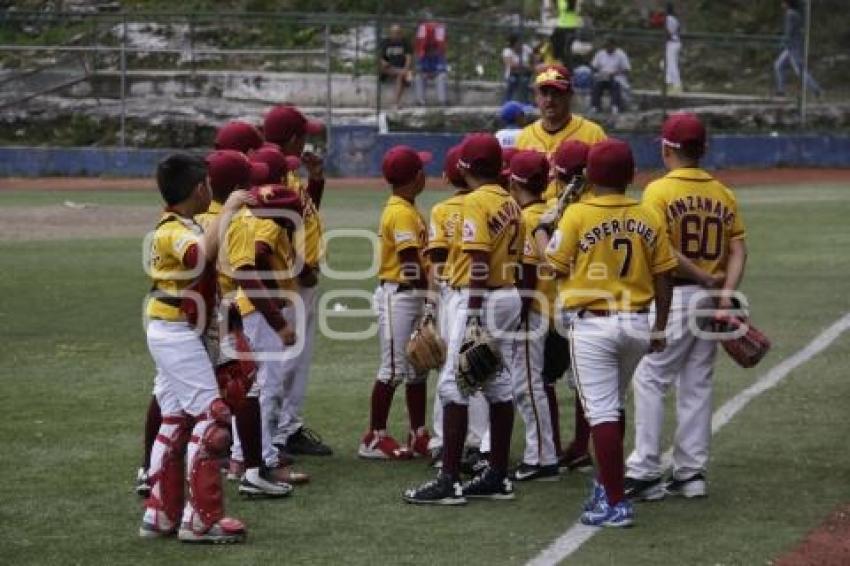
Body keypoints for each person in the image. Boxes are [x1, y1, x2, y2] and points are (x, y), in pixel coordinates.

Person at [543, 139, 676, 527]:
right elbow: (664, 276)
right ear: (630, 175)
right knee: (613, 406)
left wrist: (542, 228)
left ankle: (615, 503)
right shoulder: (649, 213)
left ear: (589, 176)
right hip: (637, 321)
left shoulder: (578, 214)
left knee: (600, 411)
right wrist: (661, 326)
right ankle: (608, 484)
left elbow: (552, 267)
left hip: (594, 325)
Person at [625, 113, 748, 501]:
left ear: (666, 148)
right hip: (710, 299)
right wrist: (725, 291)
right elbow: (738, 249)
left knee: (650, 377)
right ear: (704, 149)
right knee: (697, 383)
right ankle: (690, 473)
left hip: (677, 295)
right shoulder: (723, 193)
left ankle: (644, 470)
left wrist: (701, 277)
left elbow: (662, 250)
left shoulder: (658, 191)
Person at [404, 133, 524, 505]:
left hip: (479, 297)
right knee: (498, 383)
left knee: (453, 386)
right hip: (508, 295)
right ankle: (498, 476)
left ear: (464, 168)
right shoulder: (510, 200)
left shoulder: (474, 202)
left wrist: (471, 312)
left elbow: (478, 261)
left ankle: (449, 481)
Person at [141, 153, 251, 543]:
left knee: (174, 420)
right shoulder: (173, 231)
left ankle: (161, 513)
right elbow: (200, 253)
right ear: (197, 189)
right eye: (206, 184)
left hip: (174, 329)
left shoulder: (184, 223)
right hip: (176, 332)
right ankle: (202, 519)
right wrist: (233, 207)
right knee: (213, 420)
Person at [262, 105, 335, 458]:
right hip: (289, 283)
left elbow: (303, 216)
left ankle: (286, 427)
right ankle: (275, 434)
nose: (308, 140)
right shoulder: (276, 176)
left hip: (296, 280)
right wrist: (303, 267)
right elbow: (276, 231)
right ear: (293, 138)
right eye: (304, 134)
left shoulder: (288, 173)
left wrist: (316, 180)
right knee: (285, 360)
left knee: (293, 359)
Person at [359, 146, 434, 460]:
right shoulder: (400, 212)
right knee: (393, 369)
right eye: (423, 170)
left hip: (410, 294)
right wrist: (431, 297)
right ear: (417, 176)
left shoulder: (406, 206)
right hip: (400, 295)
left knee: (418, 368)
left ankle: (417, 434)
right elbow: (409, 262)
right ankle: (373, 438)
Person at [425, 145, 490, 472]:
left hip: (453, 294)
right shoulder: (491, 203)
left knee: (449, 370)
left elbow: (436, 264)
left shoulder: (441, 209)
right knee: (477, 367)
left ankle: (442, 442)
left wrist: (429, 307)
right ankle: (477, 442)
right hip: (485, 292)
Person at [508, 149, 560, 481]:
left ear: (513, 181)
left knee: (527, 387)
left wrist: (518, 317)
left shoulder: (528, 219)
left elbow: (526, 274)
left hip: (533, 311)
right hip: (550, 308)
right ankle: (543, 453)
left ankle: (542, 458)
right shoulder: (550, 214)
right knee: (532, 384)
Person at [515, 64, 606, 201]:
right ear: (536, 97)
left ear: (569, 95)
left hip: (578, 214)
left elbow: (606, 186)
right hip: (535, 217)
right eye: (544, 93)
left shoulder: (593, 134)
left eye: (556, 93)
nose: (549, 100)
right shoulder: (524, 137)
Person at [773, 0, 821, 97]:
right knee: (779, 65)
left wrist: (782, 42)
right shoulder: (794, 14)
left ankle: (816, 89)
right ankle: (781, 90)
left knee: (799, 70)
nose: (782, 4)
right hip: (791, 47)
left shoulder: (791, 14)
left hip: (794, 47)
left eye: (783, 2)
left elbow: (789, 32)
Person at [590, 36, 631, 114]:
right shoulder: (600, 54)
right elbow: (594, 66)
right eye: (606, 46)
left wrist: (615, 73)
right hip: (603, 76)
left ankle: (615, 106)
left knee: (616, 85)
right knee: (596, 85)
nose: (608, 48)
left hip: (616, 77)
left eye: (609, 46)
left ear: (614, 45)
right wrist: (600, 73)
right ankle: (595, 106)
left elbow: (626, 69)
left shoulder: (621, 54)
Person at [414, 21, 448, 106]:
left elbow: (442, 69)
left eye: (433, 46)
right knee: (418, 77)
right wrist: (425, 73)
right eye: (429, 46)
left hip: (436, 74)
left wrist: (433, 73)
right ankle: (420, 101)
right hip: (426, 73)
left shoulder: (439, 53)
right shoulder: (422, 54)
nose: (431, 48)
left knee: (442, 77)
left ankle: (442, 101)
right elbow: (419, 68)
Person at [379, 24, 414, 109]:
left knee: (403, 75)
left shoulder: (405, 43)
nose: (396, 34)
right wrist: (383, 62)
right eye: (394, 32)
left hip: (401, 69)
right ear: (390, 33)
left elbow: (409, 58)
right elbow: (379, 57)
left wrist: (405, 69)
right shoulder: (385, 42)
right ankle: (396, 103)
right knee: (404, 74)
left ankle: (395, 103)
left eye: (398, 32)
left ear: (401, 33)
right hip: (388, 68)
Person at [547, 0, 583, 69]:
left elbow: (573, 8)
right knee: (553, 42)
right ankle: (558, 62)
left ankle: (568, 69)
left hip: (570, 27)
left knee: (566, 49)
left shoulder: (573, 2)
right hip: (561, 26)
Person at [503, 34, 534, 103]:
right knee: (512, 81)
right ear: (513, 44)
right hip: (512, 74)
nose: (520, 44)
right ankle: (507, 102)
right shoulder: (507, 51)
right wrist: (525, 66)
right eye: (518, 43)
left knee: (524, 82)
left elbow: (533, 60)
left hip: (525, 74)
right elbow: (511, 65)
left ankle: (525, 102)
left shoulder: (526, 48)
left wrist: (530, 67)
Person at [665, 3, 683, 94]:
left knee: (672, 65)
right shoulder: (674, 18)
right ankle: (670, 85)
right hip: (675, 42)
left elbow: (668, 32)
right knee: (668, 64)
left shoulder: (668, 19)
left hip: (672, 43)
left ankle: (677, 85)